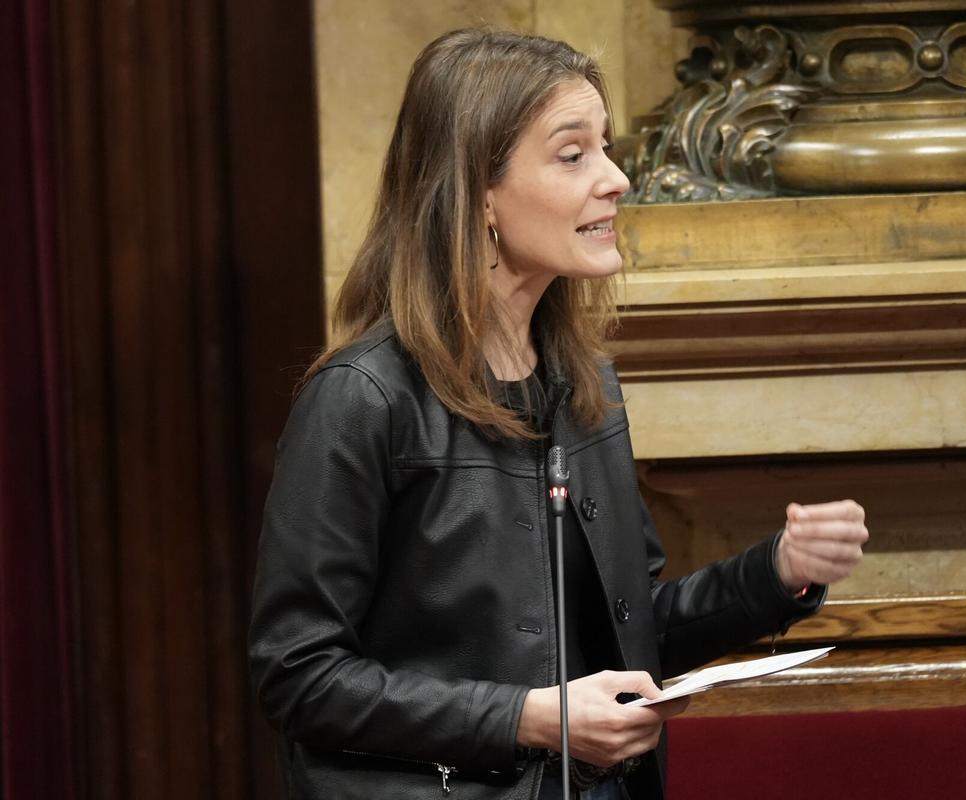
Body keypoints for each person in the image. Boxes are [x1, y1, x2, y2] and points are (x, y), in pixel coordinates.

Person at [247, 28, 868, 800]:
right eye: (573, 155)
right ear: (477, 193)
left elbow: (632, 630)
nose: (614, 179)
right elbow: (299, 676)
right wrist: (530, 717)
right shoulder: (361, 397)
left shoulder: (582, 383)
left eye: (604, 149)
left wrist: (775, 574)